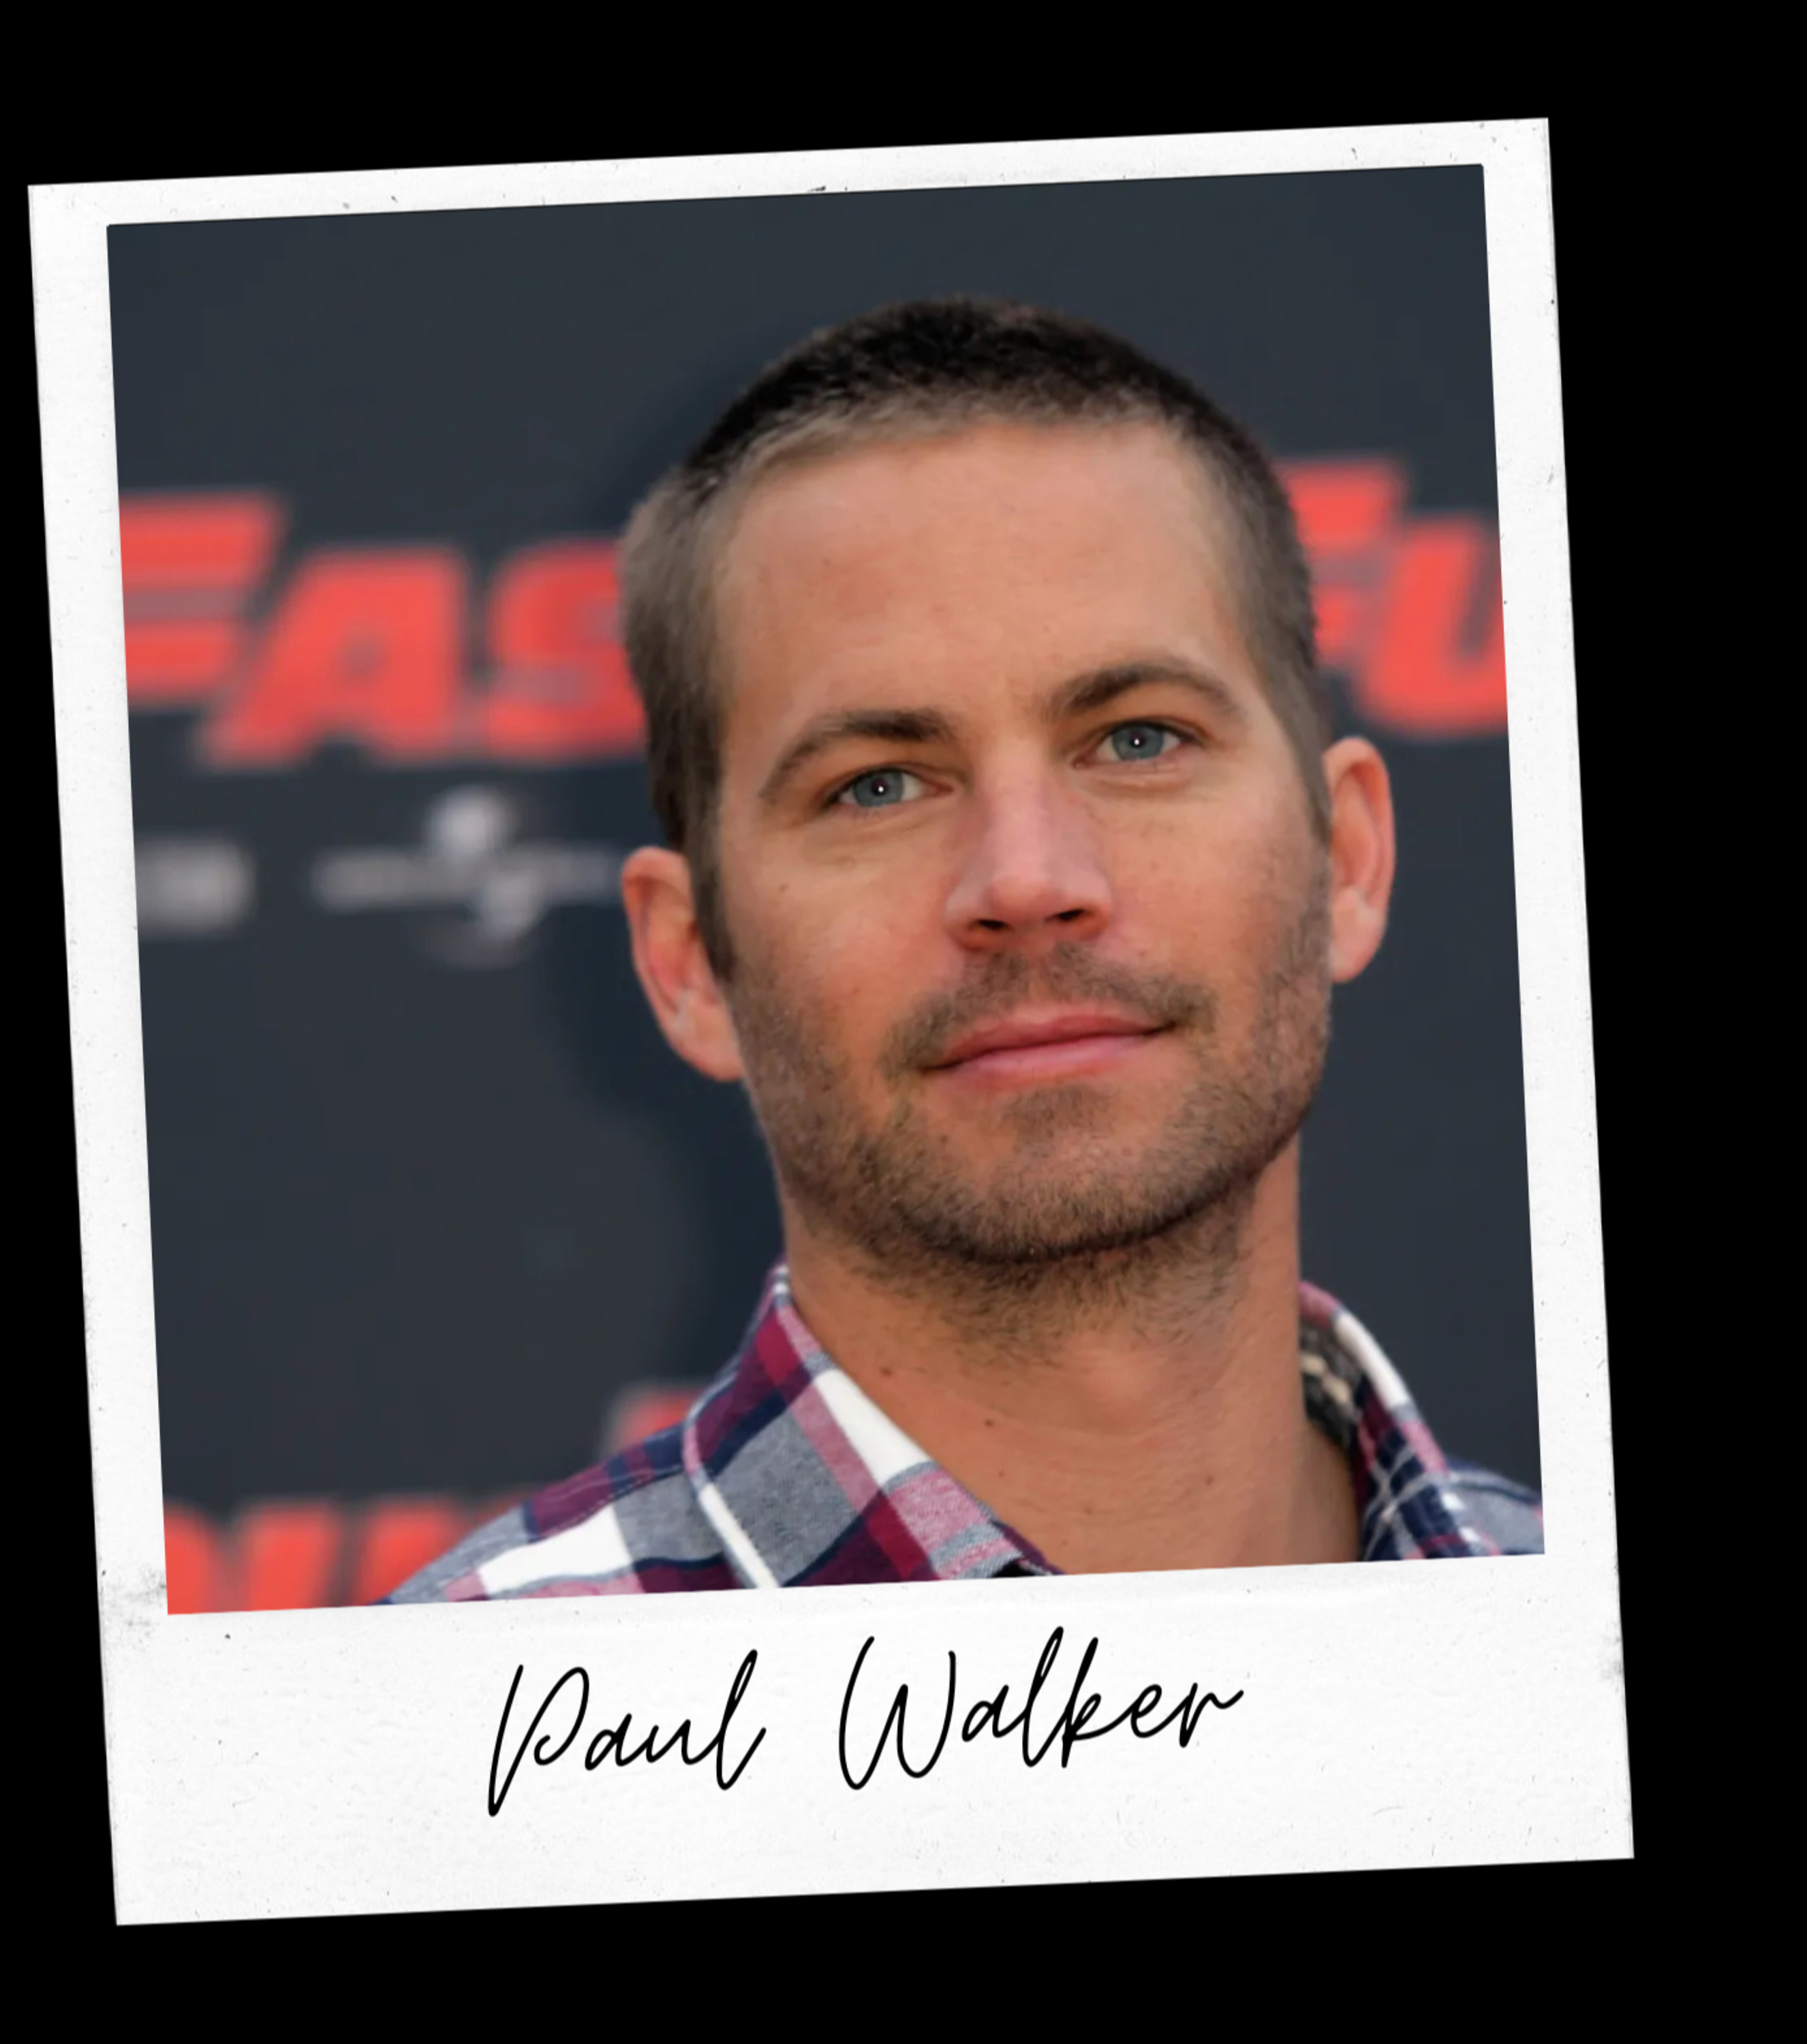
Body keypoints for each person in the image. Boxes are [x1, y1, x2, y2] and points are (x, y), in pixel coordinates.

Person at [388, 297, 1543, 1602]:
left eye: (1139, 740)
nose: (1030, 880)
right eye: (878, 785)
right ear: (691, 962)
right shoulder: (454, 1709)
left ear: (1345, 860)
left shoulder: (1570, 1629)